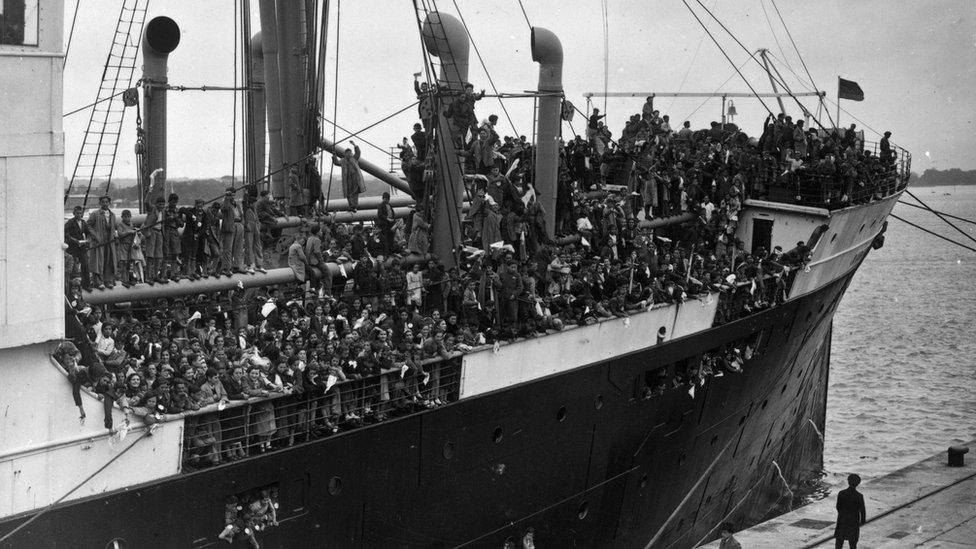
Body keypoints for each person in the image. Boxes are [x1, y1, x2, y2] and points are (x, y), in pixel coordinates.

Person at [87, 195, 119, 289]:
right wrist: (95, 236)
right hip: (99, 242)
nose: (105, 203)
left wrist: (114, 234)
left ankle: (108, 281)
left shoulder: (112, 215)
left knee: (109, 260)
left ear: (109, 203)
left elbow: (113, 228)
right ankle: (98, 282)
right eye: (103, 202)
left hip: (109, 242)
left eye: (106, 202)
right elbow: (88, 226)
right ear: (100, 203)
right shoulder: (95, 214)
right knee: (98, 261)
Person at [835, 473, 866, 549]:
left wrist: (842, 514)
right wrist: (862, 521)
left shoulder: (841, 493)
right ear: (858, 484)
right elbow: (862, 510)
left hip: (842, 520)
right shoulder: (859, 496)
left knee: (839, 542)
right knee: (852, 543)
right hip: (853, 521)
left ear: (848, 481)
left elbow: (838, 506)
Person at [332, 141, 365, 212]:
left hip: (355, 179)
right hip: (347, 180)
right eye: (348, 153)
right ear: (345, 154)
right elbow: (336, 162)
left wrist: (355, 145)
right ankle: (351, 206)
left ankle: (354, 207)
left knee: (355, 193)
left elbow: (358, 153)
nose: (349, 154)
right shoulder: (343, 160)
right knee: (349, 194)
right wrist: (334, 155)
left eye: (350, 153)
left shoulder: (354, 158)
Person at [220, 187, 245, 275]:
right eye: (230, 194)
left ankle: (236, 266)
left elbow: (241, 214)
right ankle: (226, 268)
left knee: (238, 247)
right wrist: (227, 198)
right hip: (230, 226)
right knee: (228, 248)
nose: (232, 196)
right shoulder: (225, 202)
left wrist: (242, 224)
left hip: (239, 225)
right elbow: (224, 209)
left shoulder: (236, 204)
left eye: (233, 194)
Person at [64, 205, 91, 289]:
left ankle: (86, 285)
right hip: (73, 248)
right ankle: (73, 285)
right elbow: (66, 234)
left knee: (85, 265)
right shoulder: (70, 222)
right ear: (74, 213)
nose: (79, 215)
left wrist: (88, 240)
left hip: (81, 247)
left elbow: (88, 232)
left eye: (81, 213)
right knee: (74, 267)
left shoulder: (83, 223)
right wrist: (74, 240)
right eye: (78, 213)